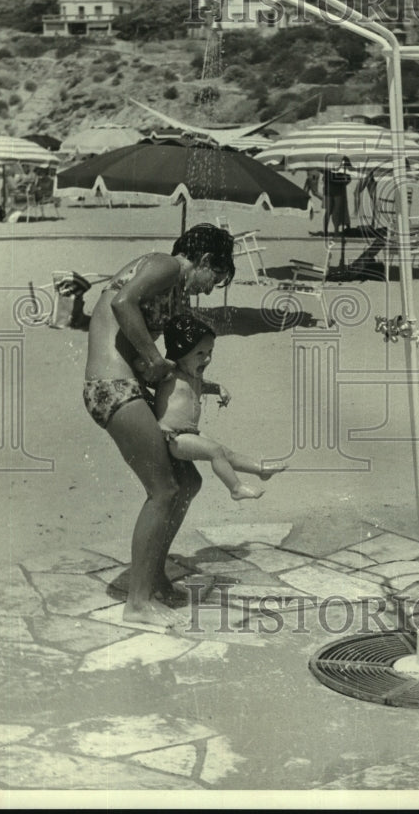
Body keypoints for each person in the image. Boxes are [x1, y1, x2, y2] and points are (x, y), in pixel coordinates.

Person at [83, 223, 235, 627]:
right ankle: (137, 601)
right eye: (215, 278)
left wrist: (201, 382)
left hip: (125, 385)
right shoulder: (166, 265)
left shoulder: (172, 290)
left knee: (188, 482)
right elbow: (122, 305)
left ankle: (155, 577)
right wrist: (152, 358)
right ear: (203, 261)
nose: (210, 288)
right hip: (112, 388)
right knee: (164, 489)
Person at [154, 314, 287, 501]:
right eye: (199, 354)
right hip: (173, 437)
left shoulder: (193, 376)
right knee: (215, 451)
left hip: (190, 433)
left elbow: (201, 386)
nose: (207, 359)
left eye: (210, 352)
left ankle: (260, 469)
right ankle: (235, 488)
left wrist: (218, 388)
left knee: (225, 453)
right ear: (180, 352)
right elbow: (146, 369)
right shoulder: (170, 373)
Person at [322, 155, 353, 237]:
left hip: (329, 189)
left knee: (328, 211)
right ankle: (335, 231)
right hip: (338, 190)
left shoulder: (329, 160)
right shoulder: (344, 159)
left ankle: (326, 230)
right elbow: (349, 174)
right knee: (336, 211)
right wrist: (344, 181)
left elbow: (327, 177)